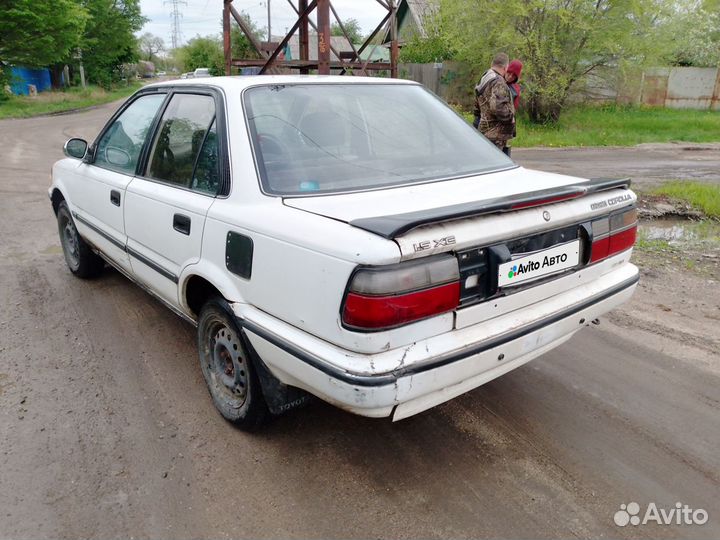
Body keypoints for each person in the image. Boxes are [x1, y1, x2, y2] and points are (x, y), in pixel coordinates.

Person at [474, 53, 515, 156]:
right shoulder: (498, 82)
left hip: (484, 130)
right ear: (506, 67)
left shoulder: (484, 78)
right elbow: (498, 107)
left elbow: (477, 107)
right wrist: (510, 117)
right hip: (496, 135)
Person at [503, 59, 523, 156]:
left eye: (513, 76)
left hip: (507, 124)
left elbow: (513, 109)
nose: (510, 77)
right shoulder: (496, 82)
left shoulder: (515, 89)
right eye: (509, 73)